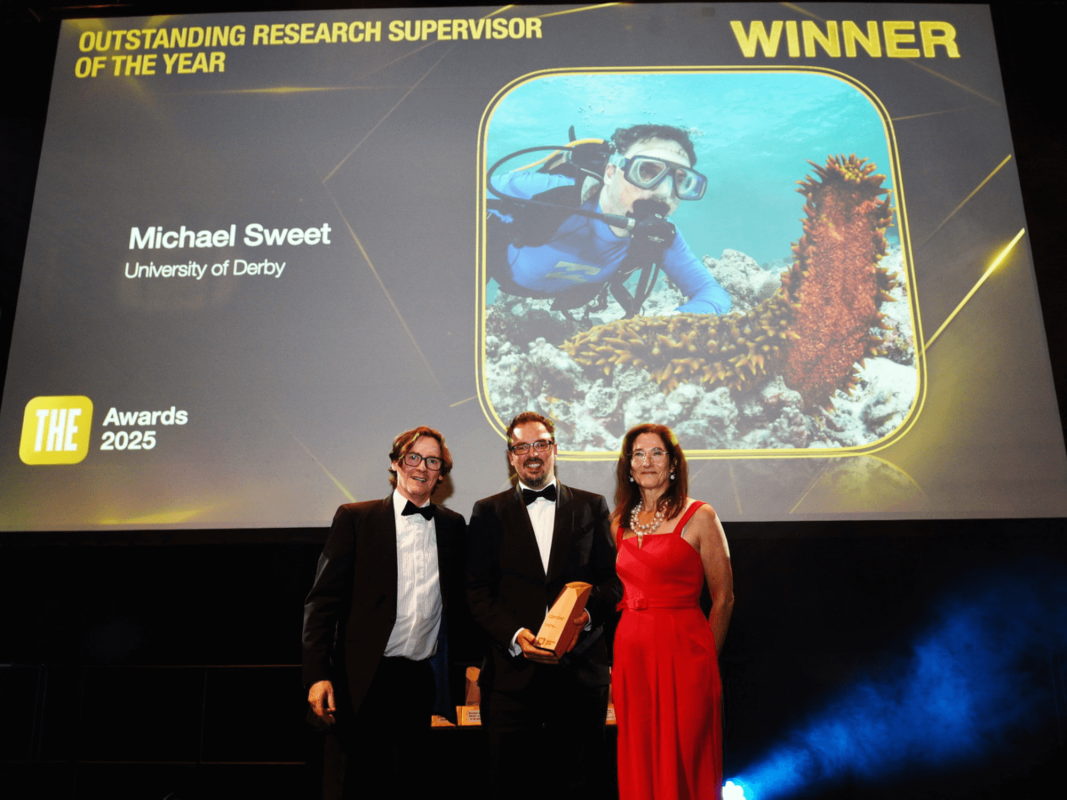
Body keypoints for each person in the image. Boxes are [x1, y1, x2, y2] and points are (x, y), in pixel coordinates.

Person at [302, 426, 466, 800]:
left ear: (441, 474)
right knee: (353, 785)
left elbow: (461, 601)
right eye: (413, 457)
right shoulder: (355, 518)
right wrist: (317, 675)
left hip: (418, 680)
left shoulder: (452, 526)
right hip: (359, 680)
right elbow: (321, 603)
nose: (422, 467)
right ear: (395, 463)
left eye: (433, 461)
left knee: (408, 784)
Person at [466, 411, 621, 800]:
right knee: (509, 786)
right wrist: (516, 635)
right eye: (522, 447)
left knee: (580, 786)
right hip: (510, 679)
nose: (532, 454)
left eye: (540, 444)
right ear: (511, 456)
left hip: (580, 677)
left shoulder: (592, 506)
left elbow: (613, 582)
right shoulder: (487, 512)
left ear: (555, 448)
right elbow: (476, 591)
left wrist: (583, 617)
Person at [488, 123, 731, 317]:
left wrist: (670, 324)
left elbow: (711, 293)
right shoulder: (545, 193)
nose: (665, 192)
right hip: (501, 273)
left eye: (681, 181)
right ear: (610, 172)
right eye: (647, 171)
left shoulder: (662, 238)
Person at [611, 423, 734, 800]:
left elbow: (724, 598)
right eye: (638, 454)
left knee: (685, 758)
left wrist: (706, 659)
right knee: (640, 756)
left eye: (657, 453)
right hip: (632, 659)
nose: (647, 461)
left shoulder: (700, 515)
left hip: (685, 658)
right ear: (628, 466)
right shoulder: (618, 522)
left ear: (674, 463)